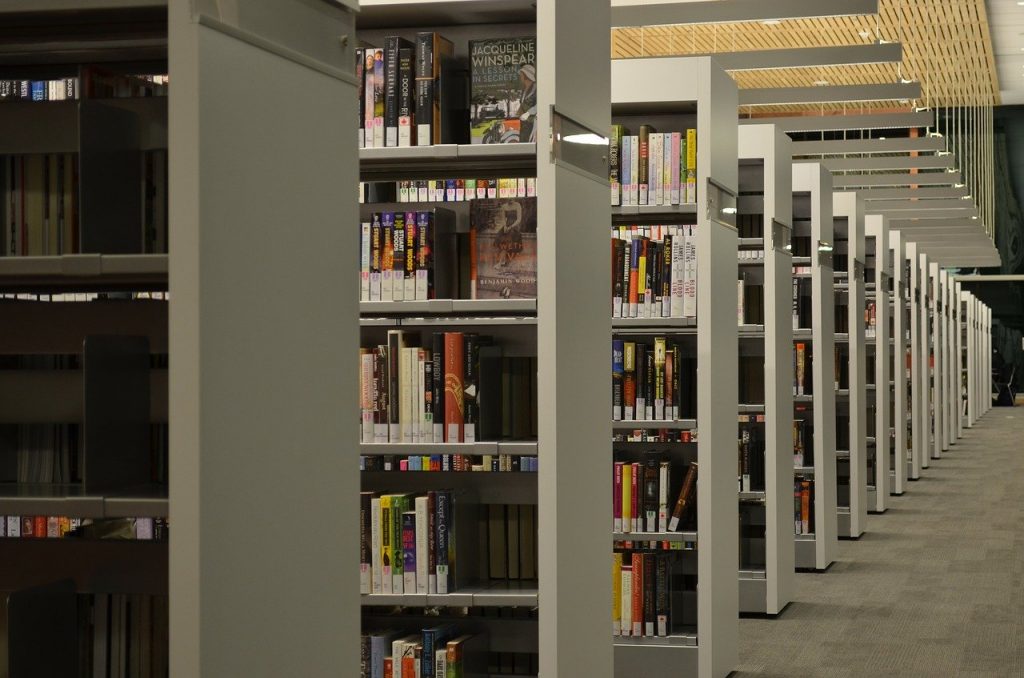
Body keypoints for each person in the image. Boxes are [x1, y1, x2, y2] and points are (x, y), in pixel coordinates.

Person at [515, 64, 537, 143]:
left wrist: (528, 113)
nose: (520, 77)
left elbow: (539, 105)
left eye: (521, 75)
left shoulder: (536, 88)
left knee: (529, 141)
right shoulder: (524, 89)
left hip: (532, 122)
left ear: (526, 76)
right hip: (524, 123)